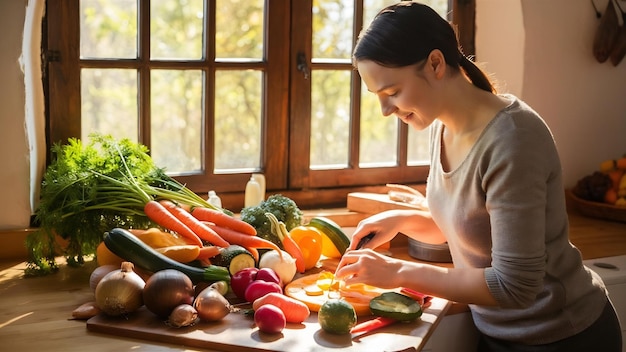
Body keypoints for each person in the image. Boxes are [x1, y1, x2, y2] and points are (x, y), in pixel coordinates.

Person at [334, 2, 623, 351]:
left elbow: (514, 286)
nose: (385, 110)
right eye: (378, 97)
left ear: (436, 64)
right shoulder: (440, 125)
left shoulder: (514, 139)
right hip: (499, 332)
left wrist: (398, 273)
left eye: (392, 92)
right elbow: (474, 227)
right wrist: (402, 219)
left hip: (565, 337)